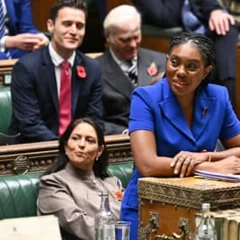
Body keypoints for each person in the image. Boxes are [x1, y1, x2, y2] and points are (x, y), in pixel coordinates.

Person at [121, 32, 240, 240]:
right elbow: (147, 164)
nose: (180, 72)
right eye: (174, 62)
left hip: (201, 209)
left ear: (206, 71)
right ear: (166, 61)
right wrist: (209, 168)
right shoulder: (145, 98)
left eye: (191, 67)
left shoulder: (218, 97)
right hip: (148, 208)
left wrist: (204, 157)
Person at [8, 0, 103, 143]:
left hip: (78, 150)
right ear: (50, 26)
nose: (73, 31)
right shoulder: (27, 68)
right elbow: (30, 124)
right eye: (67, 24)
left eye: (79, 26)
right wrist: (65, 147)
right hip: (35, 151)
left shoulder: (92, 68)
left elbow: (94, 118)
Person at [134, 0, 239, 107]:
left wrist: (215, 11)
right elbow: (166, 17)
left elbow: (206, 3)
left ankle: (229, 98)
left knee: (226, 30)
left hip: (201, 29)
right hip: (174, 35)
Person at [37, 118, 122, 240]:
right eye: (75, 138)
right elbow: (82, 225)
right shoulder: (52, 183)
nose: (81, 144)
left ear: (99, 151)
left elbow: (131, 214)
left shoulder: (112, 183)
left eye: (90, 140)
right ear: (66, 146)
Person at [96, 5, 166, 135]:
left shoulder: (161, 61)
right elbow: (93, 119)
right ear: (108, 37)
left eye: (136, 37)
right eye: (125, 40)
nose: (133, 45)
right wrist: (126, 133)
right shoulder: (95, 69)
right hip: (119, 140)